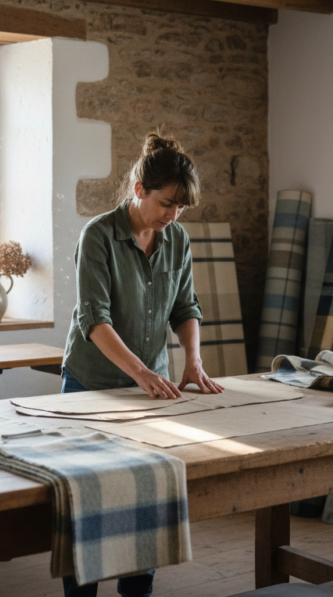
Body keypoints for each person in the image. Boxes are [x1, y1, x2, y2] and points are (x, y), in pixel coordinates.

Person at [60, 132, 225, 597]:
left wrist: (192, 361)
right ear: (139, 189)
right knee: (85, 505)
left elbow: (186, 307)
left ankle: (138, 592)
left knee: (146, 498)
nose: (173, 216)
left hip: (150, 387)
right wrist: (143, 372)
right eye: (167, 204)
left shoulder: (177, 240)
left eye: (181, 209)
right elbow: (94, 319)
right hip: (91, 384)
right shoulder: (98, 236)